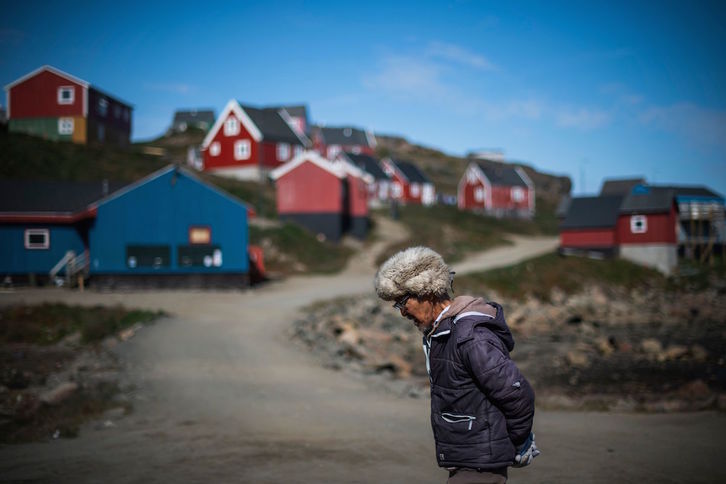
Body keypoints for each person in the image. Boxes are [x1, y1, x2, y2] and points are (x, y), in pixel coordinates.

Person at [374, 246, 539, 484]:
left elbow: (518, 393)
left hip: (480, 465)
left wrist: (516, 441)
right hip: (470, 461)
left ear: (425, 290)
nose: (402, 313)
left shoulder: (470, 337)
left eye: (402, 302)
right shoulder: (442, 333)